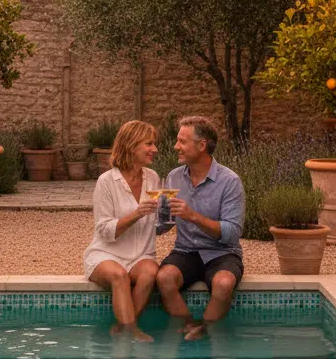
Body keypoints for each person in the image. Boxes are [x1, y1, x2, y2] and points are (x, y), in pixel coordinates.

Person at [155, 115, 244, 340]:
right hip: (186, 250)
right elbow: (164, 225)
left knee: (223, 283)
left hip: (222, 252)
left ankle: (204, 327)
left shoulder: (230, 181)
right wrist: (144, 214)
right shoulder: (175, 177)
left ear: (201, 145)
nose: (176, 147)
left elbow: (232, 234)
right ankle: (189, 324)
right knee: (164, 278)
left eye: (182, 142)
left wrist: (193, 216)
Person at [83, 119, 162, 341]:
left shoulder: (153, 178)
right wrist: (136, 214)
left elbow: (157, 225)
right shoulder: (106, 181)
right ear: (131, 145)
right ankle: (131, 332)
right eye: (148, 144)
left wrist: (174, 215)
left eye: (153, 144)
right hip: (106, 253)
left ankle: (121, 327)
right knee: (119, 276)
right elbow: (105, 230)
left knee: (149, 274)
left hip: (141, 255)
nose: (154, 149)